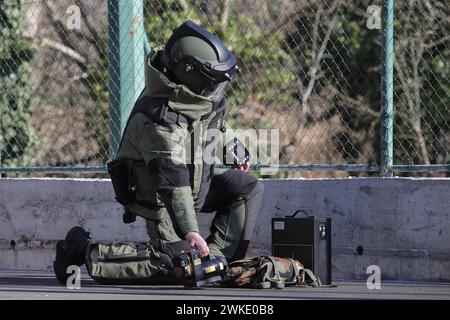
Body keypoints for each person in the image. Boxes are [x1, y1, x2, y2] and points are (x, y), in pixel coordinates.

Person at [54, 20, 264, 283]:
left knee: (246, 188)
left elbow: (214, 126)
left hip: (196, 185)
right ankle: (84, 251)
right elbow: (172, 181)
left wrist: (232, 148)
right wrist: (189, 230)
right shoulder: (159, 120)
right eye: (213, 83)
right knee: (174, 266)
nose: (217, 90)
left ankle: (215, 258)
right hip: (160, 198)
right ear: (190, 76)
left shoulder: (195, 95)